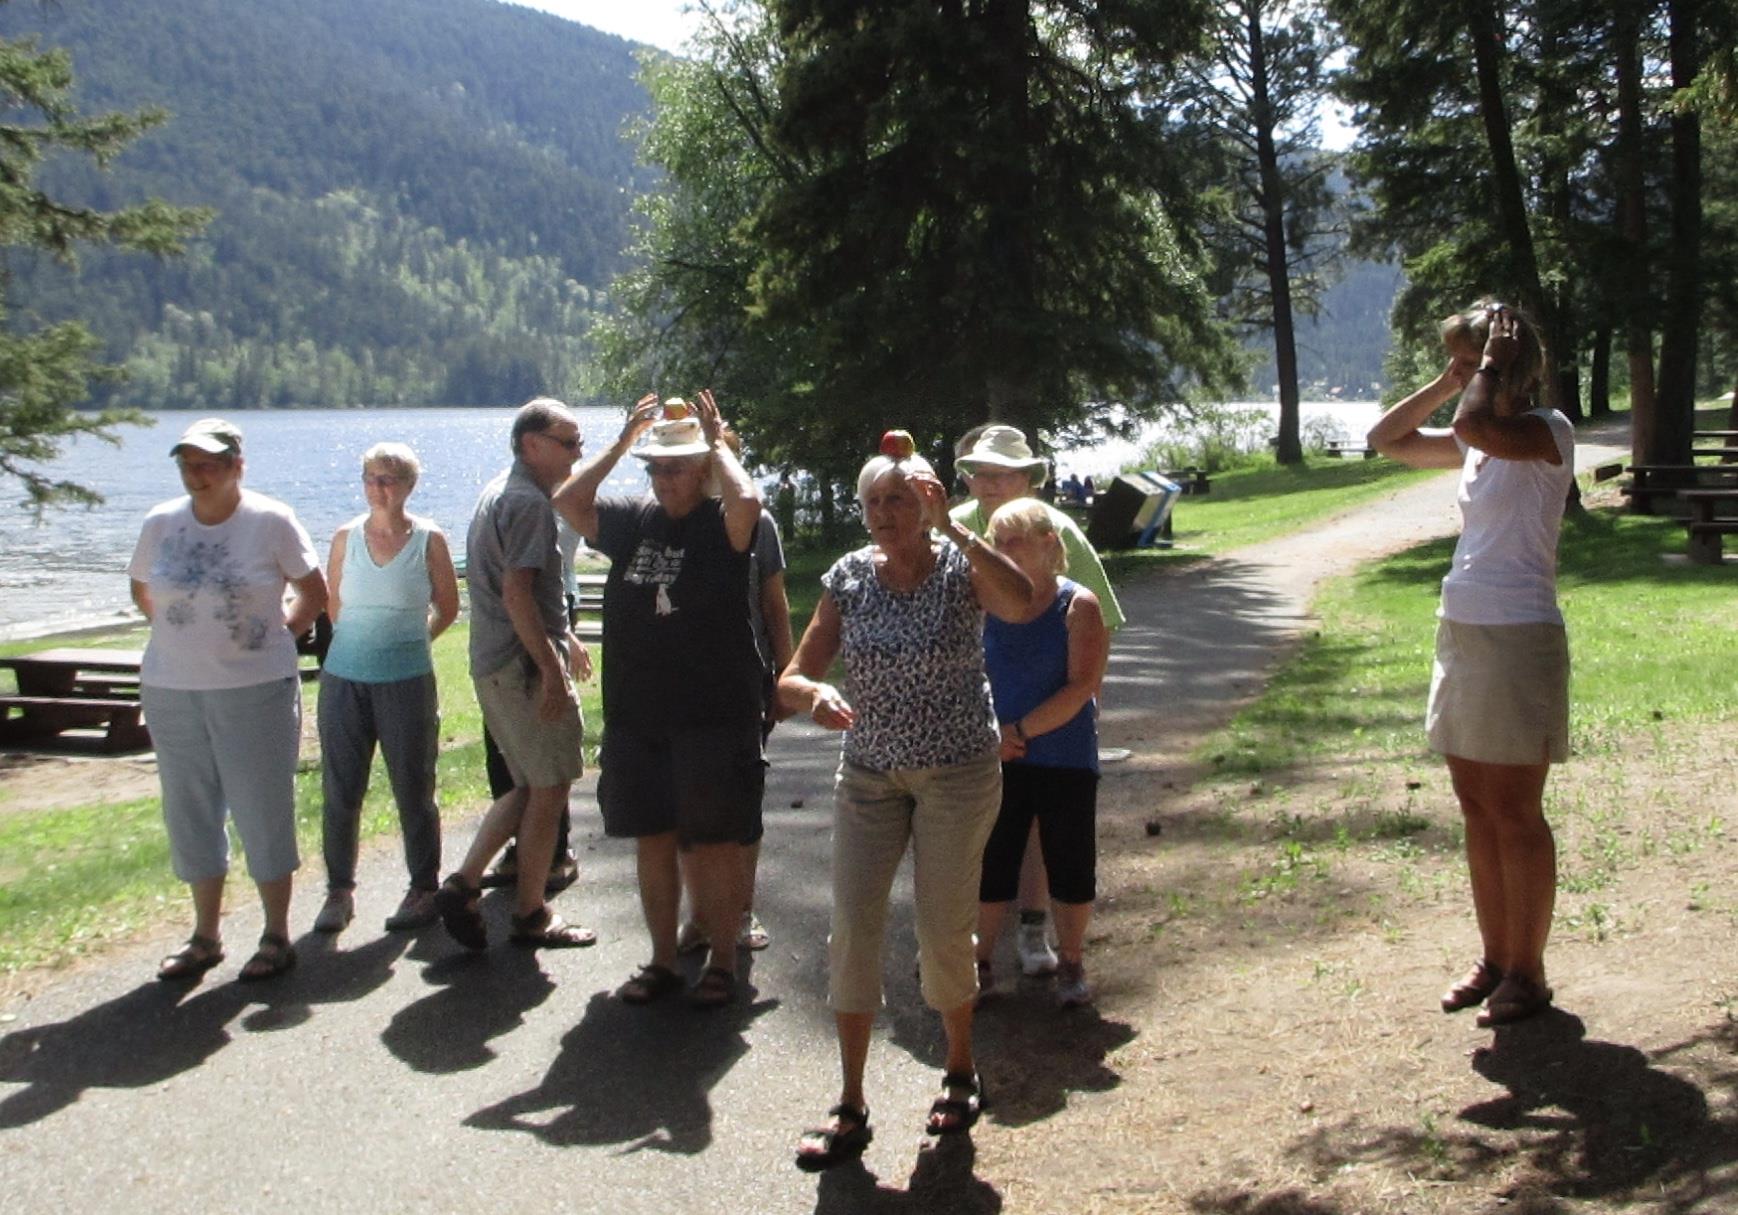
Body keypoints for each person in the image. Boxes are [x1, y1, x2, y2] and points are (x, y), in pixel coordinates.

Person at [782, 443, 1032, 1171]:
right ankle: (851, 1102)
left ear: (925, 504)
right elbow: (795, 675)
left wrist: (957, 528)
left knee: (940, 928)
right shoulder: (849, 578)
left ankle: (959, 1067)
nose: (886, 515)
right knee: (852, 927)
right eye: (874, 504)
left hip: (957, 771)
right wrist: (816, 695)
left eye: (900, 500)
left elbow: (1020, 599)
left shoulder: (960, 566)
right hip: (869, 773)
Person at [1366, 300, 1572, 1027]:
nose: (1464, 373)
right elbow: (1385, 437)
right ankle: (1495, 956)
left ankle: (1530, 970)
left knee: (1515, 811)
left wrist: (1482, 377)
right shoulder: (1476, 437)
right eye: (1458, 361)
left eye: (1473, 358)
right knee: (1476, 807)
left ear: (1509, 361)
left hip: (1519, 635)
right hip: (1463, 627)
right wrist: (1448, 378)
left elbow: (1479, 423)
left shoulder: (1545, 433)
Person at [555, 390, 765, 1009]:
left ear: (701, 471)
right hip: (638, 715)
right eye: (655, 467)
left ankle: (723, 960)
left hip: (710, 715)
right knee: (653, 836)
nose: (661, 477)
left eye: (674, 466)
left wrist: (715, 442)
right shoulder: (632, 518)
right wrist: (621, 445)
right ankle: (663, 959)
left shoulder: (723, 523)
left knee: (712, 841)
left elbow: (747, 498)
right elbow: (568, 500)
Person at [131, 418, 328, 982]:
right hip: (172, 689)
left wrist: (276, 639)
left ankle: (275, 934)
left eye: (209, 462)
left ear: (238, 465)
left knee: (261, 807)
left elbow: (313, 593)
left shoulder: (270, 521)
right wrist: (184, 642)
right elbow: (142, 589)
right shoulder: (160, 522)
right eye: (188, 463)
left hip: (255, 691)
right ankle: (205, 935)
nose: (198, 473)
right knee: (189, 809)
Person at [950, 423, 1125, 978]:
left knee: (1047, 836)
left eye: (1002, 474)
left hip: (1052, 719)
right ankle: (964, 951)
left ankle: (1035, 930)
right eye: (980, 473)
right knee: (984, 835)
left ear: (1028, 479)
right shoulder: (952, 530)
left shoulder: (1060, 530)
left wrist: (1071, 707)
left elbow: (1097, 621)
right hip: (979, 721)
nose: (989, 484)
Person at [433, 398, 595, 951]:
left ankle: (463, 882)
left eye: (579, 442)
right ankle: (530, 913)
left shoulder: (499, 489)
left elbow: (522, 592)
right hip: (521, 667)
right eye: (568, 442)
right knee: (549, 788)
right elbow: (516, 592)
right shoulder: (526, 502)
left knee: (530, 784)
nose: (578, 452)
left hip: (494, 662)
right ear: (532, 444)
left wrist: (562, 634)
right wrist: (551, 670)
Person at [313, 442, 460, 935]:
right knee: (340, 790)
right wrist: (359, 646)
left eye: (390, 479)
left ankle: (423, 888)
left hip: (407, 682)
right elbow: (335, 605)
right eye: (372, 478)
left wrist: (411, 640)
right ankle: (339, 891)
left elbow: (448, 607)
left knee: (414, 789)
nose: (380, 488)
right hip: (344, 680)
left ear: (409, 486)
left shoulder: (429, 539)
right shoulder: (344, 537)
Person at [975, 499, 1111, 1008]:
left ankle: (1072, 962)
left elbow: (1082, 687)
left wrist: (1019, 729)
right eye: (996, 541)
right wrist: (992, 732)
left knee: (1070, 862)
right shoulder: (982, 603)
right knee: (992, 864)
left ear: (1049, 543)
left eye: (1015, 540)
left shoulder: (1079, 605)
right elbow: (968, 677)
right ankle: (980, 962)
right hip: (998, 758)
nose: (1003, 551)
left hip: (1064, 757)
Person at [675, 422, 794, 956]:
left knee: (743, 803)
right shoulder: (669, 523)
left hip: (745, 680)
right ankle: (700, 915)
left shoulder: (759, 524)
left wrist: (786, 678)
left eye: (723, 460)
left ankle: (742, 911)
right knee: (688, 806)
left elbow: (774, 603)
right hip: (682, 684)